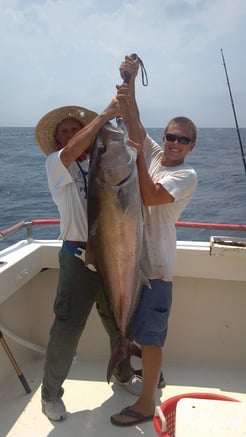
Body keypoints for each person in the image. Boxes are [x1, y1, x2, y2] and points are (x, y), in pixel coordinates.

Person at [35, 100, 145, 422]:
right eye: (66, 132)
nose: (72, 135)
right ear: (58, 141)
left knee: (118, 324)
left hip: (114, 255)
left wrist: (127, 99)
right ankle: (50, 395)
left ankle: (124, 373)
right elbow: (72, 151)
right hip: (78, 258)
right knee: (67, 329)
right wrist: (103, 117)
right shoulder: (58, 163)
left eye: (76, 128)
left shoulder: (105, 162)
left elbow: (135, 142)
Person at [110, 56, 198, 426]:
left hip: (157, 269)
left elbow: (149, 195)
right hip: (133, 261)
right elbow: (134, 123)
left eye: (183, 139)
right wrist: (129, 81)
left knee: (151, 339)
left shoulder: (187, 176)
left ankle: (147, 405)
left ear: (192, 146)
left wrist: (137, 160)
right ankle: (150, 375)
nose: (174, 143)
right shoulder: (158, 154)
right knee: (136, 331)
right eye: (170, 136)